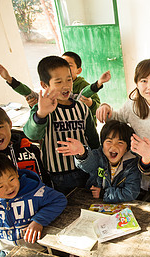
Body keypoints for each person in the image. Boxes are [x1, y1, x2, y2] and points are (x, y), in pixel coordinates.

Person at [23, 55, 109, 194]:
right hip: (58, 176)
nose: (66, 85)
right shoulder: (43, 109)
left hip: (85, 170)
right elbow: (31, 134)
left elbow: (93, 140)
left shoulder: (81, 108)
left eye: (69, 79)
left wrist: (99, 169)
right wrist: (41, 114)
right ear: (45, 85)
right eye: (58, 82)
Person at [0, 51, 101, 124]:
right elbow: (28, 93)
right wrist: (9, 79)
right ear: (45, 85)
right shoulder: (48, 97)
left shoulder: (80, 89)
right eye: (58, 81)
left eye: (68, 65)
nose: (63, 68)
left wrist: (91, 101)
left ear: (79, 70)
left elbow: (88, 97)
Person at [56, 120, 141, 203]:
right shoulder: (98, 156)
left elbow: (131, 192)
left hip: (121, 207)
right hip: (93, 202)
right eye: (109, 141)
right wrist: (82, 153)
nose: (114, 146)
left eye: (120, 142)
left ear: (127, 148)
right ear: (102, 144)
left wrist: (103, 194)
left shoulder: (132, 165)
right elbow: (88, 165)